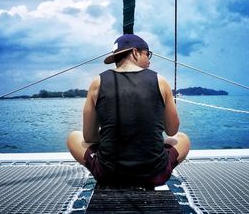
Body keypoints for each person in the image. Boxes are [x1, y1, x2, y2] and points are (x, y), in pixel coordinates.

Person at [67, 34, 190, 187]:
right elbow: (172, 130)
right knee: (182, 138)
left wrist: (113, 139)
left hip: (108, 175)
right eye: (147, 54)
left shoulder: (97, 82)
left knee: (74, 137)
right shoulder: (160, 81)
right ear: (135, 52)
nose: (149, 61)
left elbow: (89, 136)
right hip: (155, 174)